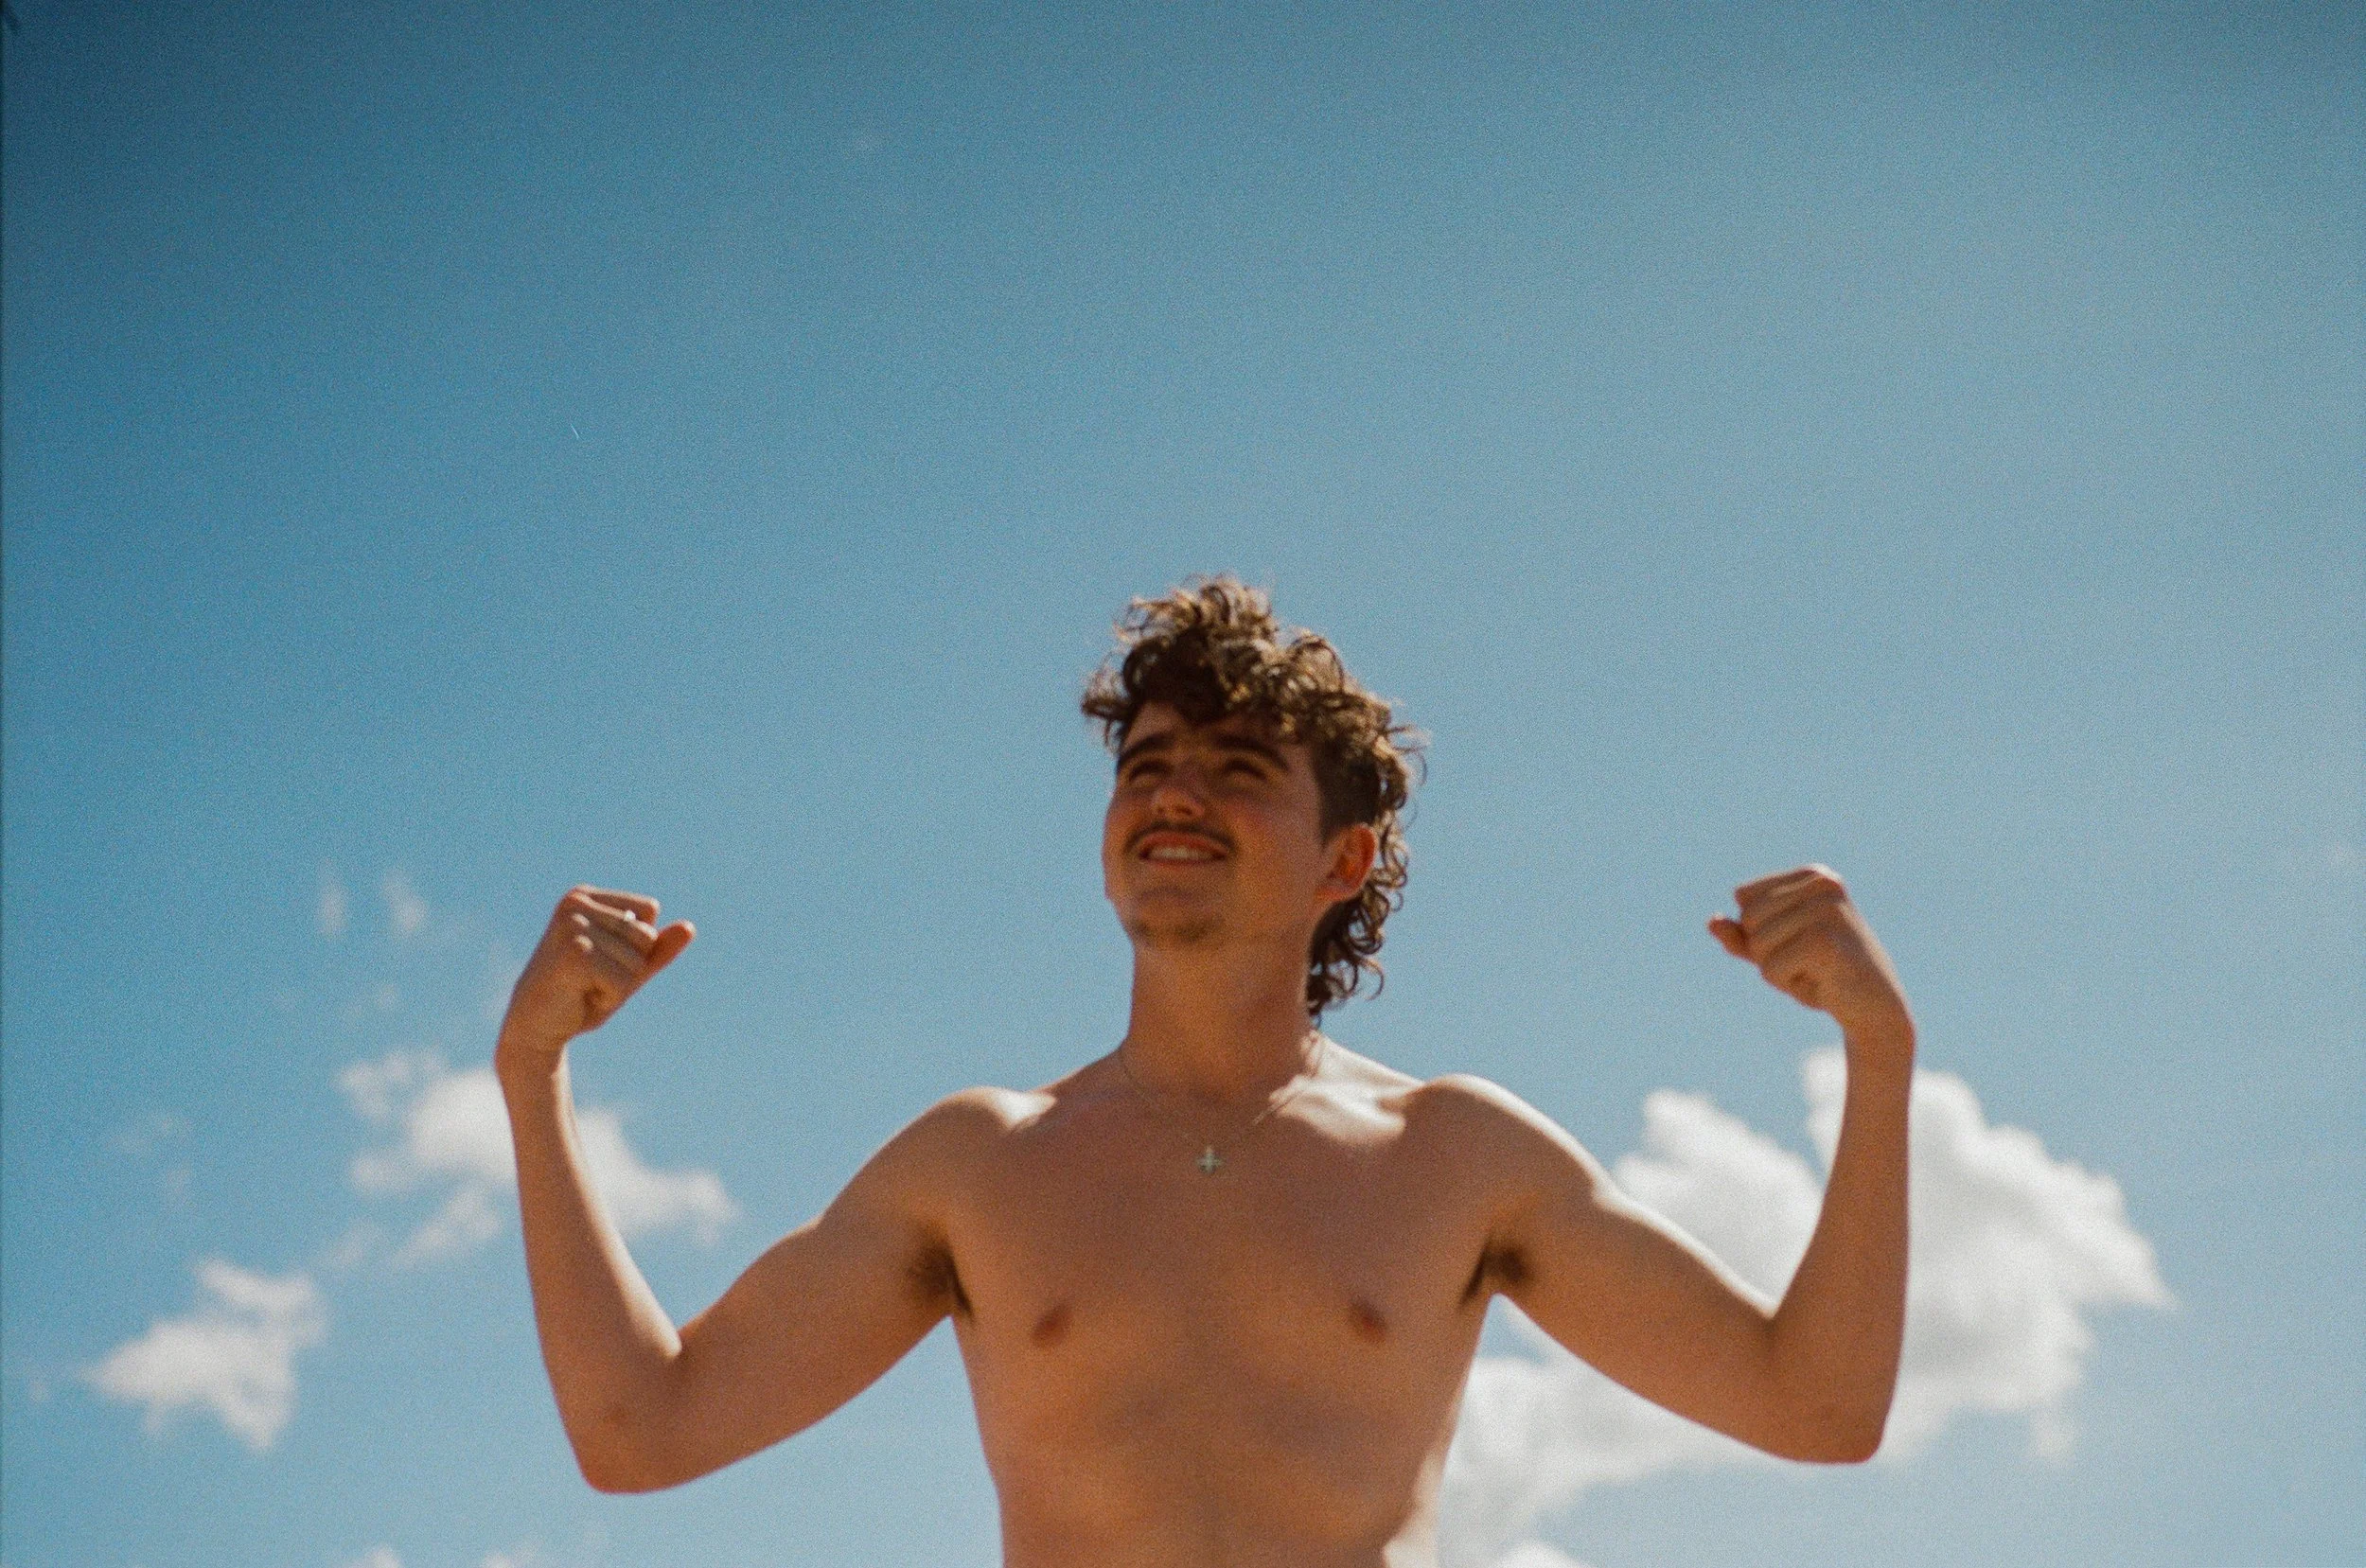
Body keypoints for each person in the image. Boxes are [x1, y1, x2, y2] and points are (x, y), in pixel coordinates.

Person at [495, 577, 1915, 1567]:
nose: (1174, 791)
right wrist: (532, 1073)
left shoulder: (1456, 1157)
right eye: (1147, 764)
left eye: (1238, 768)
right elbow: (641, 1430)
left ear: (1343, 861)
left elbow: (1817, 1407)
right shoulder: (978, 1165)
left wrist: (1879, 1050)